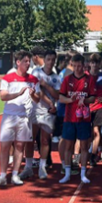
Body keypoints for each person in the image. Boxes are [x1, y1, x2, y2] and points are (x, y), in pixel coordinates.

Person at [0, 50, 40, 188]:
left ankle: (14, 174)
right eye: (25, 61)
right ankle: (2, 175)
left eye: (29, 61)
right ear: (18, 62)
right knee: (5, 146)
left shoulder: (33, 80)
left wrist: (33, 95)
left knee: (20, 146)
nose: (28, 63)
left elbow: (37, 99)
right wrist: (18, 93)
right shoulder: (8, 78)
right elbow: (4, 96)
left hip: (24, 117)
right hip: (9, 116)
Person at [58, 54, 98, 184]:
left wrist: (84, 100)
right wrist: (71, 99)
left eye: (79, 66)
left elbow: (93, 97)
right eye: (74, 66)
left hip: (84, 119)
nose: (77, 68)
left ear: (83, 65)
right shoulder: (67, 79)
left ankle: (83, 174)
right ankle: (68, 173)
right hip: (69, 118)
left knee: (84, 145)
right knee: (68, 145)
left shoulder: (89, 79)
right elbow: (61, 97)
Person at [31, 50, 62, 179]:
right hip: (35, 108)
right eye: (48, 59)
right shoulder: (36, 72)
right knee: (30, 138)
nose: (50, 62)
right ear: (44, 59)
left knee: (45, 139)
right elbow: (37, 92)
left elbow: (58, 95)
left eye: (53, 60)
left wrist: (46, 86)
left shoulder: (56, 78)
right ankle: (28, 164)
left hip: (48, 112)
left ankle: (42, 165)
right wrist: (50, 102)